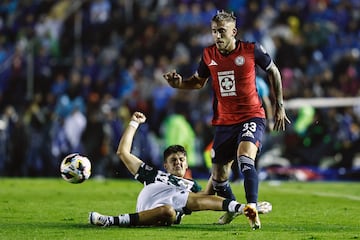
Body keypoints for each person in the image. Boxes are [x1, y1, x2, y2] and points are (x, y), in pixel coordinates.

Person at [163, 10, 290, 229]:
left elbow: (274, 71)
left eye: (222, 31)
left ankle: (252, 208)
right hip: (224, 121)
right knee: (219, 177)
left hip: (252, 116)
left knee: (245, 158)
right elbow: (197, 82)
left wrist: (279, 105)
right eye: (214, 32)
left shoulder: (251, 50)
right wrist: (179, 84)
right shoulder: (208, 55)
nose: (217, 36)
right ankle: (233, 208)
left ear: (234, 31)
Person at [89, 111, 272, 227]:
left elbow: (207, 197)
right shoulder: (153, 175)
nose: (178, 162)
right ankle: (243, 208)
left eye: (182, 160)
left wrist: (224, 162)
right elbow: (123, 152)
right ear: (165, 165)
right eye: (173, 160)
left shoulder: (190, 186)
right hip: (148, 208)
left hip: (168, 213)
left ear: (187, 164)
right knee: (172, 206)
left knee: (171, 208)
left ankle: (244, 208)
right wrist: (133, 124)